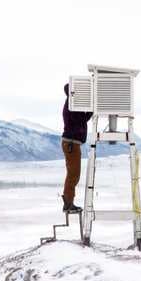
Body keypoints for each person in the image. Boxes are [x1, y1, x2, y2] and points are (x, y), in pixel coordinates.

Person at [61, 83, 93, 212]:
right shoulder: (71, 104)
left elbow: (82, 118)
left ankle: (69, 202)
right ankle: (68, 204)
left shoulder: (72, 103)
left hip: (72, 143)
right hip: (71, 143)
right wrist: (91, 109)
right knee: (73, 174)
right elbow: (82, 119)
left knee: (73, 174)